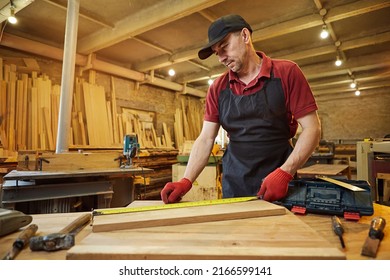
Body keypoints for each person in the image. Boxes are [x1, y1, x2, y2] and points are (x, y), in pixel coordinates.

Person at [161, 14, 321, 203]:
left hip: (279, 182)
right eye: (216, 52)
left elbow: (313, 129)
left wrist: (285, 173)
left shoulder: (286, 73)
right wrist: (186, 181)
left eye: (224, 47)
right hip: (235, 183)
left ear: (245, 36)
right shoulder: (217, 88)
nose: (221, 58)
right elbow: (205, 139)